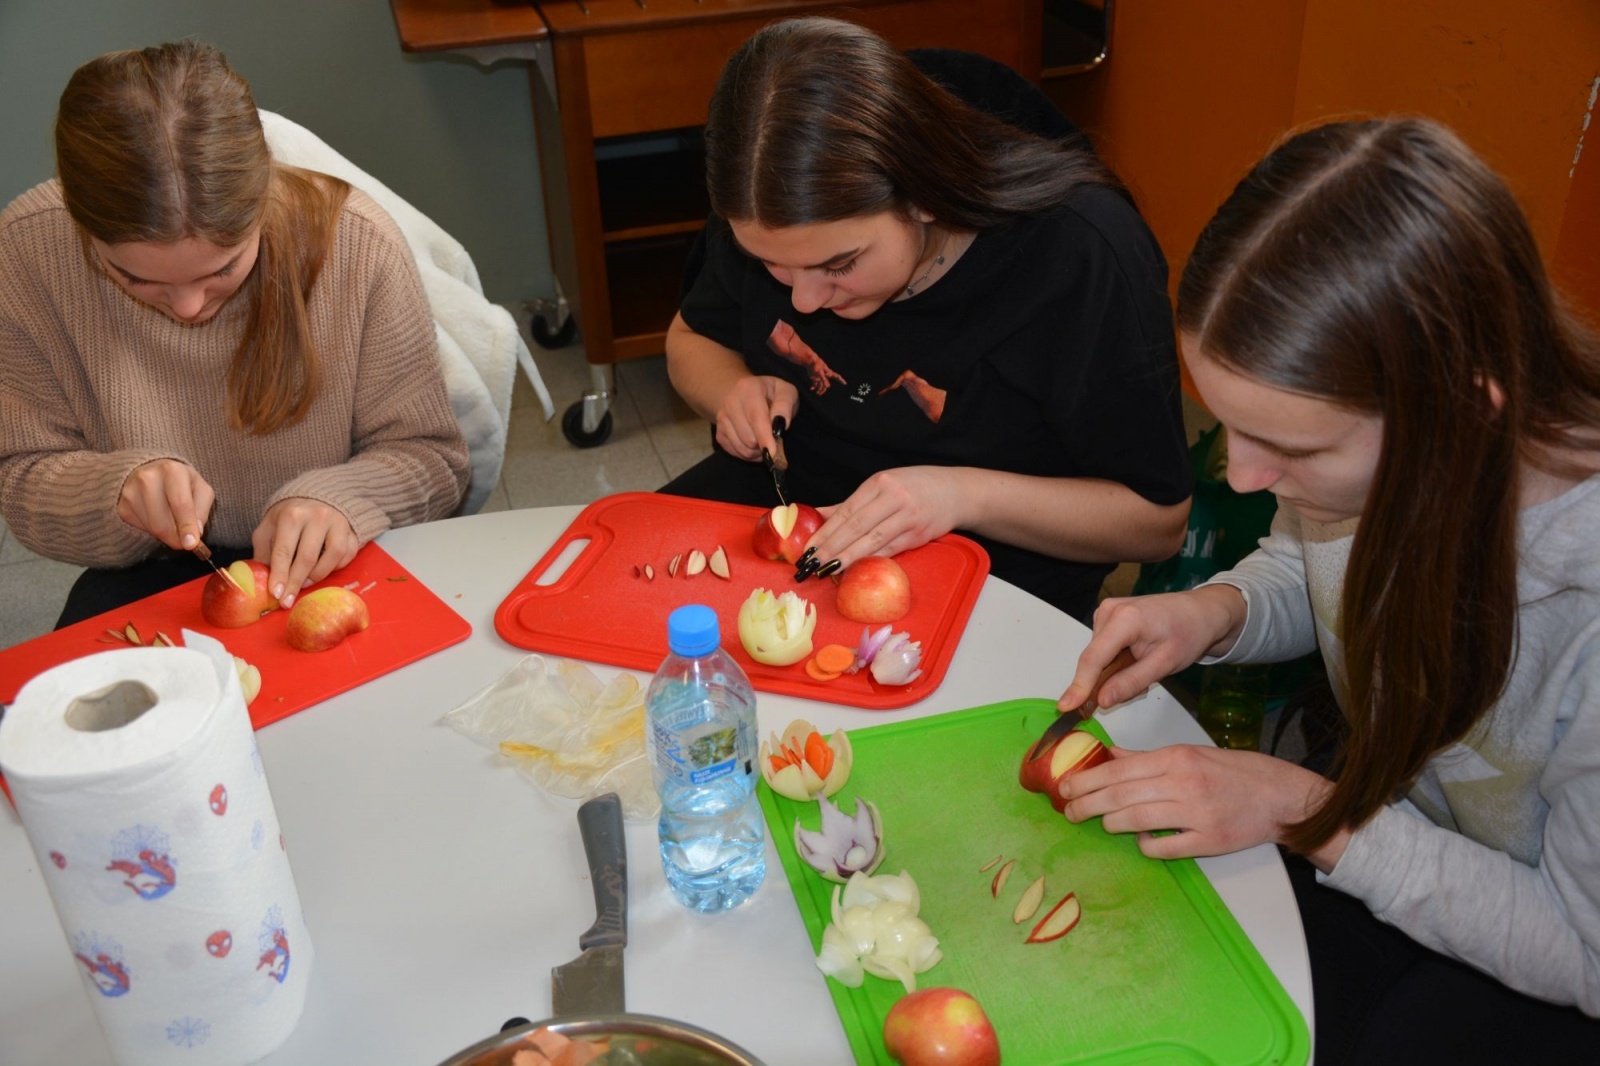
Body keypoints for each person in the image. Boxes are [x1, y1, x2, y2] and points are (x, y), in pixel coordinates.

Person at [1056, 117, 1600, 1063]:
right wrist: (1212, 613)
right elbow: (1314, 566)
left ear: (1466, 408)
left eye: (1292, 448)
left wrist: (1308, 813)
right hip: (1395, 842)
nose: (1242, 476)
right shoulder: (1393, 461)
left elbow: (1582, 949)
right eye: (1230, 424)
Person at [661, 17, 1192, 623]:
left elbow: (1157, 524)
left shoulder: (1080, 257)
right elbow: (689, 339)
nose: (803, 301)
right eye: (771, 266)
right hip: (783, 516)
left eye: (839, 265)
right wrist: (730, 390)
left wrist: (957, 494)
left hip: (993, 563)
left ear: (924, 196)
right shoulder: (769, 195)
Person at [0, 42, 470, 628]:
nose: (190, 308)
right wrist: (111, 492)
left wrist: (349, 499)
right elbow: (21, 479)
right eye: (136, 278)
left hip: (337, 558)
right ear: (78, 220)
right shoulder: (25, 253)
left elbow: (434, 459)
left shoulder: (358, 246)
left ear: (260, 199)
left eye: (222, 269)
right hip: (154, 567)